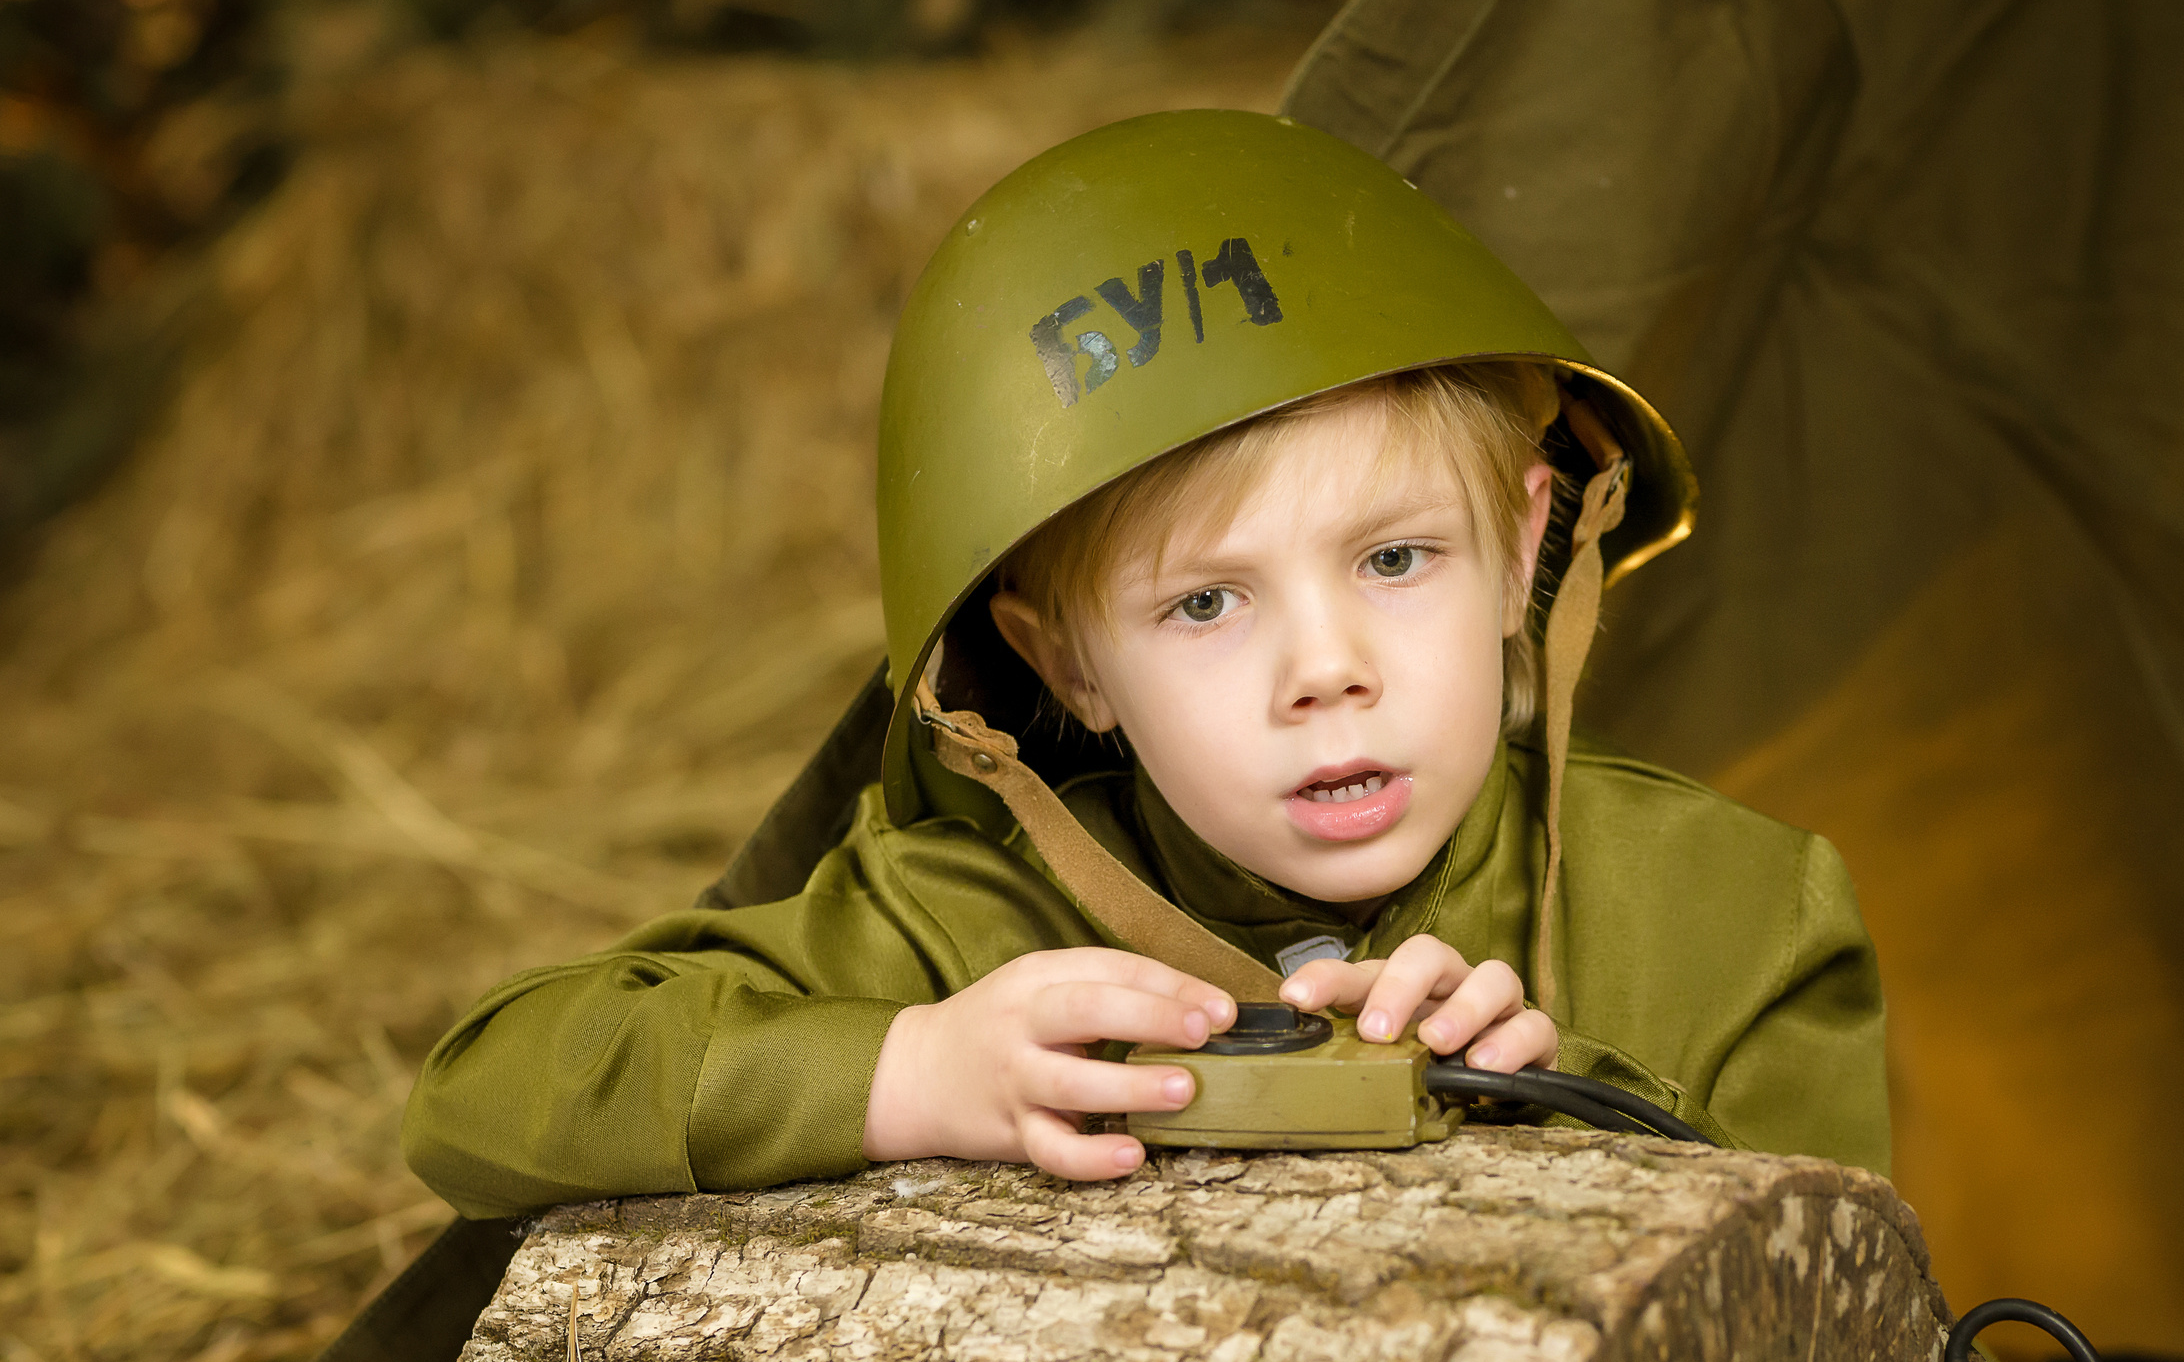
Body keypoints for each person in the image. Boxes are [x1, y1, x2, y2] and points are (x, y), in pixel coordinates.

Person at [399, 109, 1890, 1221]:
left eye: (1394, 560)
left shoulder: (1739, 921)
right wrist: (911, 1073)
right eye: (1204, 606)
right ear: (1068, 665)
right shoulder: (968, 921)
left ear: (1521, 545)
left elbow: (1842, 1342)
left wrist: (1565, 1104)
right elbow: (483, 1094)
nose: (1327, 670)